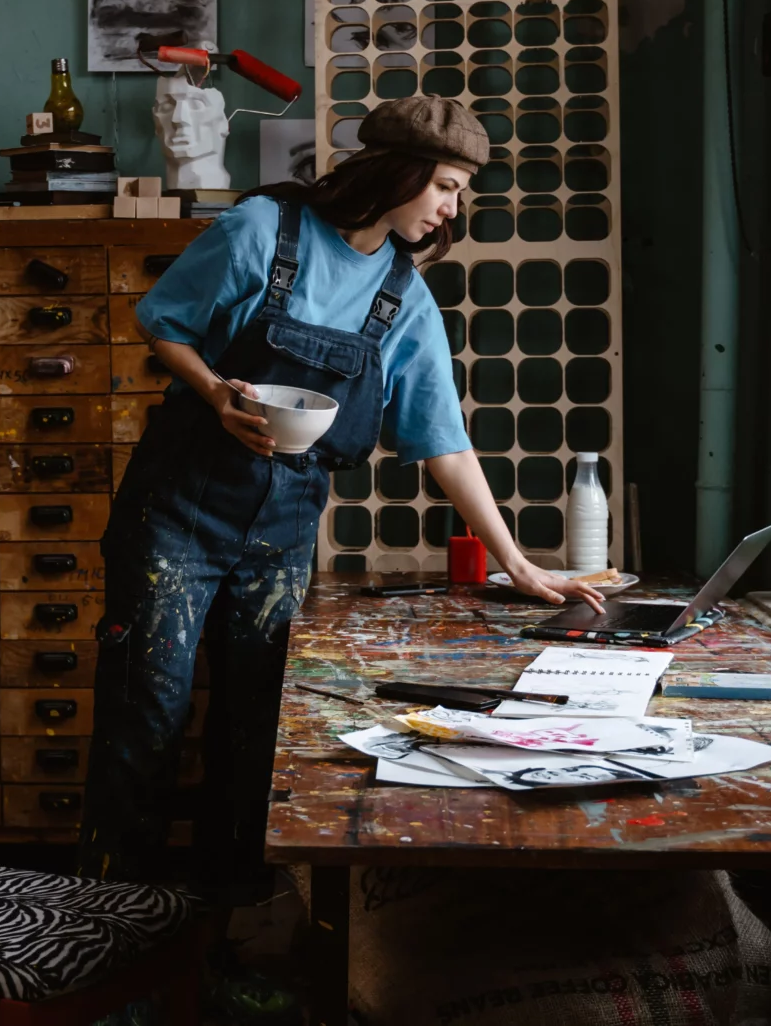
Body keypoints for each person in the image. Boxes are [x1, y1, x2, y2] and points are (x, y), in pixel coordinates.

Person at [76, 96, 605, 903]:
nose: (453, 208)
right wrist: (218, 394)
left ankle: (227, 924)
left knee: (257, 727)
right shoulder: (261, 232)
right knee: (146, 710)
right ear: (400, 172)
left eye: (460, 192)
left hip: (283, 528)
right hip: (177, 512)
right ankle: (108, 920)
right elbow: (164, 322)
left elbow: (445, 445)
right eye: (447, 186)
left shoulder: (403, 299)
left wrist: (520, 564)